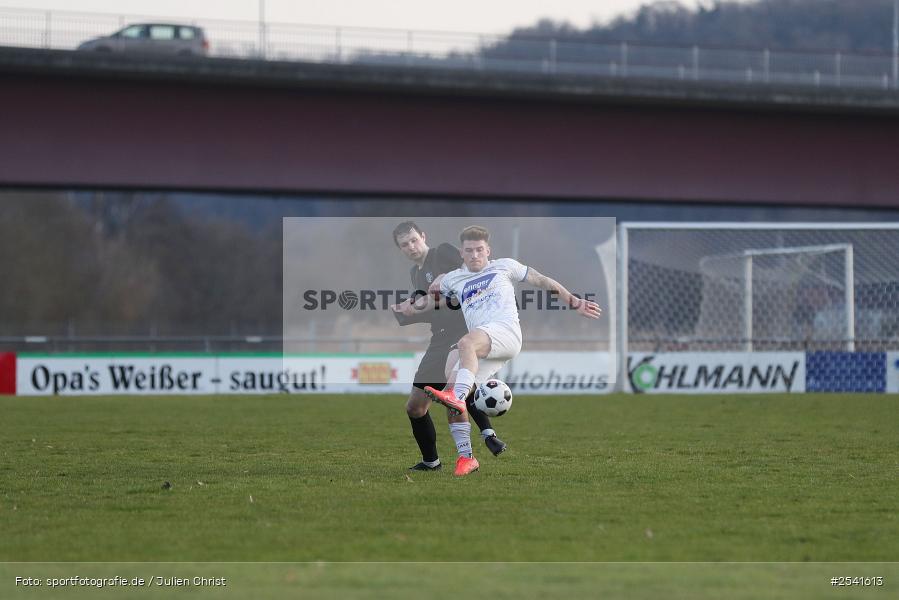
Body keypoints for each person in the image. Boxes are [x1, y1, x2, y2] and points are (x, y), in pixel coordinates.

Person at [416, 225, 602, 476]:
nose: (474, 255)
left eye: (479, 249)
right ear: (461, 253)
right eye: (469, 250)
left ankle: (458, 396)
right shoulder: (453, 278)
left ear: (488, 250)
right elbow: (434, 298)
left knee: (464, 346)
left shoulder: (503, 266)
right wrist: (433, 288)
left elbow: (542, 280)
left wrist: (574, 301)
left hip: (506, 333)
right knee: (452, 389)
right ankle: (466, 458)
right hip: (485, 344)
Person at [390, 222, 507, 476]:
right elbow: (435, 309)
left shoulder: (442, 252)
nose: (411, 247)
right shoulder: (416, 273)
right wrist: (409, 311)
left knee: (456, 388)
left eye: (413, 240)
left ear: (423, 236)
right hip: (439, 340)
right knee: (415, 407)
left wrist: (426, 298)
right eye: (404, 244)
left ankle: (486, 435)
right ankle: (431, 461)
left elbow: (469, 279)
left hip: (463, 332)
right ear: (400, 249)